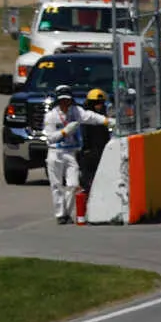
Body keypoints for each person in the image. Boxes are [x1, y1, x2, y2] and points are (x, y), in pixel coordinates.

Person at [42, 86, 110, 224]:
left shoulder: (76, 111)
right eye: (62, 100)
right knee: (56, 185)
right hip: (55, 153)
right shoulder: (51, 116)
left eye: (67, 100)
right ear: (58, 101)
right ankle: (61, 215)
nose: (65, 103)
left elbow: (90, 117)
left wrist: (106, 121)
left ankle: (67, 212)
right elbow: (50, 138)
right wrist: (64, 132)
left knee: (73, 184)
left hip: (70, 152)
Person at [74, 87, 111, 224]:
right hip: (88, 154)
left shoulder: (103, 117)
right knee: (87, 184)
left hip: (102, 152)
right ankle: (85, 214)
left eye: (101, 103)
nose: (99, 106)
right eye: (96, 103)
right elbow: (82, 137)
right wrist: (85, 152)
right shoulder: (85, 117)